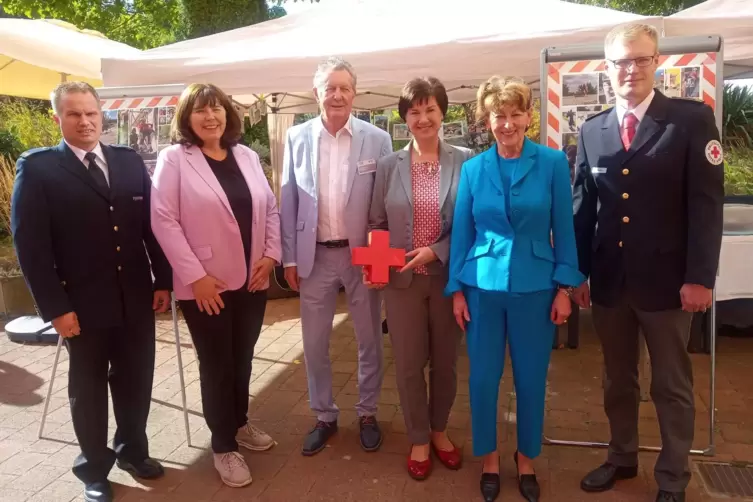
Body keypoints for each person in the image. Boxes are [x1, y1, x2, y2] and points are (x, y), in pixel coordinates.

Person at [573, 23, 724, 502]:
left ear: (656, 61)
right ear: (607, 67)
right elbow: (583, 209)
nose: (630, 69)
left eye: (640, 59)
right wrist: (576, 274)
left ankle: (673, 478)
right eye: (621, 61)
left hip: (668, 285)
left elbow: (706, 205)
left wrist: (700, 277)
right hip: (611, 283)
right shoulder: (592, 129)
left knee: (671, 385)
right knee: (618, 379)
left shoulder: (691, 121)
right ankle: (621, 457)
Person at [11, 82, 172, 502]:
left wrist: (164, 280)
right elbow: (31, 246)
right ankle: (93, 468)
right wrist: (55, 309)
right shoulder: (40, 168)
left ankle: (133, 452)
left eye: (91, 114)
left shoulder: (128, 161)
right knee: (88, 387)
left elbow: (148, 227)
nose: (84, 122)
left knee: (136, 380)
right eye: (74, 114)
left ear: (103, 116)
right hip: (81, 305)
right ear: (58, 118)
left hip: (135, 296)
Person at [446, 76, 584, 502]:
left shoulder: (553, 163)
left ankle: (526, 459)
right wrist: (455, 289)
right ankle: (489, 457)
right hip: (482, 288)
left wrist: (565, 287)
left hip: (537, 287)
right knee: (484, 379)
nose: (507, 124)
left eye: (515, 115)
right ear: (488, 120)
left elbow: (565, 226)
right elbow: (462, 234)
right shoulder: (473, 169)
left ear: (529, 116)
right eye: (498, 116)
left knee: (530, 378)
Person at [150, 84, 281, 488]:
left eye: (217, 109)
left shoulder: (246, 155)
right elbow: (163, 219)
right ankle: (223, 445)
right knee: (217, 364)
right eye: (201, 110)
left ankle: (239, 423)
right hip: (207, 285)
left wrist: (271, 256)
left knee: (242, 357)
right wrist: (195, 277)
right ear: (187, 119)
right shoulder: (175, 159)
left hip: (253, 279)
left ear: (228, 114)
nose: (211, 117)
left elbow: (270, 208)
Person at [280, 56, 392, 456]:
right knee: (314, 343)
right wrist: (289, 259)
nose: (338, 95)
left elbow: (383, 203)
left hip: (361, 256)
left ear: (355, 93)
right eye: (330, 87)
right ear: (317, 94)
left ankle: (367, 411)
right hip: (314, 257)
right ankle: (324, 415)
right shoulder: (297, 138)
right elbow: (288, 198)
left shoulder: (376, 139)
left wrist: (380, 257)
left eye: (345, 87)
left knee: (368, 341)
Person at [368, 77, 471, 481]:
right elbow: (377, 221)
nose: (423, 118)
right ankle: (418, 437)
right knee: (410, 364)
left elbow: (472, 220)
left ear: (443, 112)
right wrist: (375, 264)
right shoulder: (388, 164)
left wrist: (437, 250)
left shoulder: (466, 160)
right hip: (401, 285)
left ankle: (440, 430)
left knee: (445, 363)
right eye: (415, 111)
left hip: (449, 280)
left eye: (430, 109)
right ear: (404, 117)